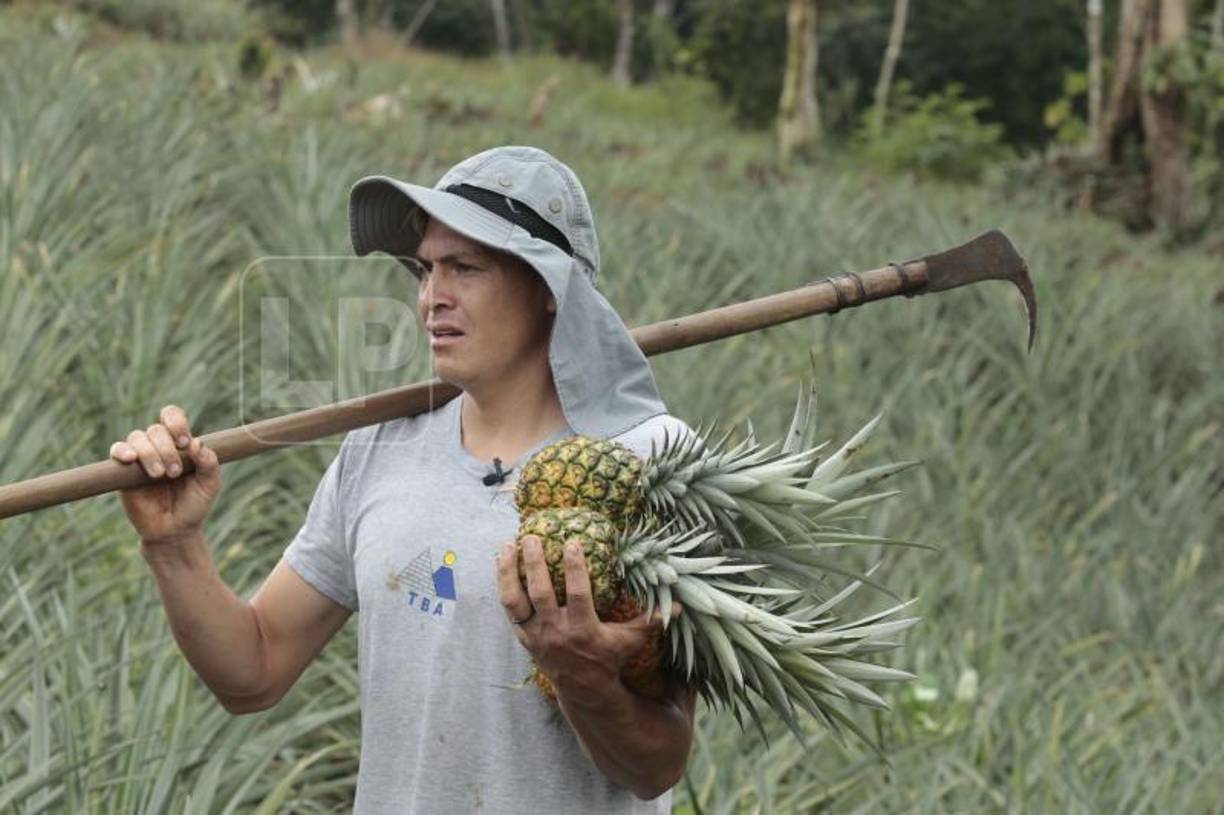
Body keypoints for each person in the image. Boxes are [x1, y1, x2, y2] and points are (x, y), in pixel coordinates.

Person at [110, 146, 698, 813]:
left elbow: (657, 762)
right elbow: (254, 670)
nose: (430, 297)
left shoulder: (649, 463)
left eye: (464, 268)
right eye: (424, 269)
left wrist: (580, 672)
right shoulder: (379, 449)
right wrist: (173, 544)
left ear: (548, 289)